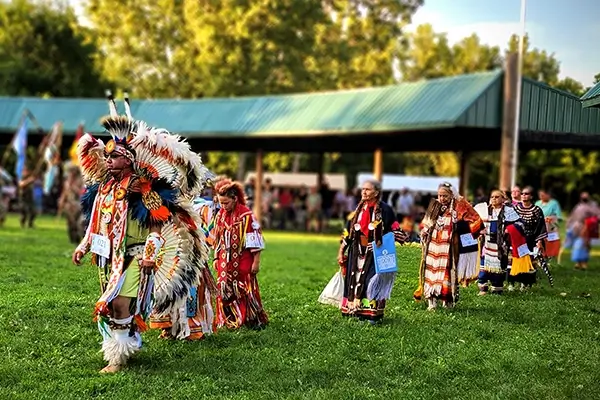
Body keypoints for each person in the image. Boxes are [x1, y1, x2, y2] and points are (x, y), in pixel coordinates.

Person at [72, 93, 213, 373]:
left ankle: (117, 359)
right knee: (112, 306)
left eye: (114, 157)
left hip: (136, 255)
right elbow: (97, 222)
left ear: (128, 159)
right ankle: (125, 343)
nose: (108, 160)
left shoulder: (143, 189)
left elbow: (158, 223)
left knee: (119, 303)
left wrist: (151, 254)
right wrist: (84, 245)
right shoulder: (105, 188)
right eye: (107, 156)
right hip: (110, 256)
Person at [337, 179, 408, 324]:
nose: (364, 192)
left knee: (371, 281)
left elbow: (396, 231)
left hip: (376, 252)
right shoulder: (357, 210)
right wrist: (341, 252)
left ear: (376, 192)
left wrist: (379, 242)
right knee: (354, 279)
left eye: (367, 189)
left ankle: (371, 315)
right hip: (356, 250)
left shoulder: (385, 210)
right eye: (363, 189)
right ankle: (353, 311)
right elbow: (347, 233)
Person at [416, 182, 483, 310]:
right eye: (440, 195)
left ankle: (448, 300)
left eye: (445, 196)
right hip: (434, 245)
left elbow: (475, 218)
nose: (442, 199)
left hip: (450, 246)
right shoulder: (434, 205)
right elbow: (426, 224)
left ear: (452, 195)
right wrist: (424, 231)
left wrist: (474, 230)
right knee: (431, 270)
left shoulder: (459, 205)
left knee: (448, 270)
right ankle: (432, 300)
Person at [213, 178, 268, 330]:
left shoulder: (247, 216)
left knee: (243, 288)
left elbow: (256, 240)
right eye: (220, 203)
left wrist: (256, 261)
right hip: (224, 260)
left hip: (243, 260)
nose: (223, 206)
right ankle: (228, 318)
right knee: (224, 287)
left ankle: (248, 317)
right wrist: (216, 257)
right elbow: (217, 239)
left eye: (226, 203)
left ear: (235, 199)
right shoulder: (220, 215)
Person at [478, 190, 528, 295]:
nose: (494, 199)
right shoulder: (484, 210)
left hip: (501, 244)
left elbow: (520, 224)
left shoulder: (508, 211)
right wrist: (479, 230)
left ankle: (496, 288)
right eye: (492, 197)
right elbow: (475, 222)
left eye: (497, 197)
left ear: (503, 199)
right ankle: (483, 287)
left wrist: (509, 229)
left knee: (499, 266)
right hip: (486, 243)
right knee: (483, 267)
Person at [510, 186, 547, 290]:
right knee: (514, 261)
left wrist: (539, 241)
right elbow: (510, 223)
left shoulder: (536, 210)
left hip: (530, 239)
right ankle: (512, 283)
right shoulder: (515, 208)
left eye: (526, 194)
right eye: (522, 193)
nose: (523, 195)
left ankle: (525, 284)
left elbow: (541, 227)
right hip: (516, 239)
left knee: (528, 261)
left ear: (531, 196)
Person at [565, 192, 600, 270]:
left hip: (586, 227)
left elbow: (598, 215)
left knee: (584, 244)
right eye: (583, 197)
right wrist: (568, 224)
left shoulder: (592, 206)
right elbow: (572, 216)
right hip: (576, 227)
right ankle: (578, 262)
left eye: (585, 197)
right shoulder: (578, 206)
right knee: (576, 244)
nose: (584, 198)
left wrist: (592, 221)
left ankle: (584, 262)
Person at [57, 165, 85, 244]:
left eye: (71, 172)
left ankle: (78, 239)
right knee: (70, 223)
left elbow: (81, 192)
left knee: (78, 223)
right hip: (69, 205)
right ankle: (72, 239)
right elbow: (64, 193)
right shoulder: (66, 182)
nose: (70, 174)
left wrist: (73, 187)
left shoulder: (81, 181)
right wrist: (61, 202)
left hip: (78, 205)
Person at [536, 189, 562, 258]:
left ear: (548, 195)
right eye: (540, 195)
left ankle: (550, 254)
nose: (541, 197)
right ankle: (540, 253)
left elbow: (558, 216)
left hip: (550, 225)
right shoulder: (538, 203)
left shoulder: (554, 203)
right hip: (539, 224)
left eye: (543, 195)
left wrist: (551, 218)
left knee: (549, 240)